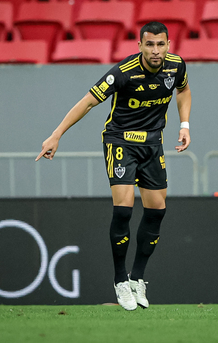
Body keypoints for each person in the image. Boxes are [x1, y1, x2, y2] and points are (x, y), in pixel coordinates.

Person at [35, 21, 192, 311]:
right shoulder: (123, 72)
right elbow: (88, 102)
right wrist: (56, 134)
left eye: (160, 44)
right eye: (149, 44)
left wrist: (184, 124)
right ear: (140, 46)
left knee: (157, 210)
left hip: (152, 143)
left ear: (168, 45)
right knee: (124, 208)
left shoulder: (176, 65)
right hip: (120, 141)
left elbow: (183, 91)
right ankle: (120, 280)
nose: (155, 50)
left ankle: (138, 279)